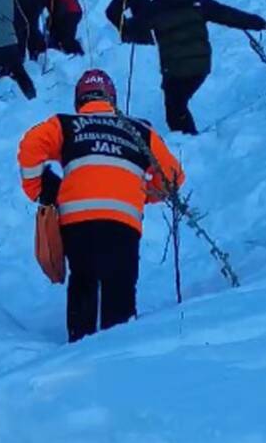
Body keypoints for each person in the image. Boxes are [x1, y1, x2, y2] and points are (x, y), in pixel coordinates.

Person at [17, 69, 184, 342]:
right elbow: (172, 177)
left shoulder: (66, 124)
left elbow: (31, 144)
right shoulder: (140, 130)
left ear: (78, 100)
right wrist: (143, 194)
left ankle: (79, 345)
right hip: (123, 223)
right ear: (113, 99)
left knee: (83, 280)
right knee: (120, 288)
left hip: (77, 222)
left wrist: (41, 190)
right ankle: (117, 356)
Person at [141, 0, 266, 135]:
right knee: (178, 104)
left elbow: (130, 28)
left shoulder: (154, 9)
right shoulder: (200, 3)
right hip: (201, 65)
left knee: (175, 107)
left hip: (173, 68)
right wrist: (260, 24)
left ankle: (187, 140)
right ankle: (188, 138)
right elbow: (230, 15)